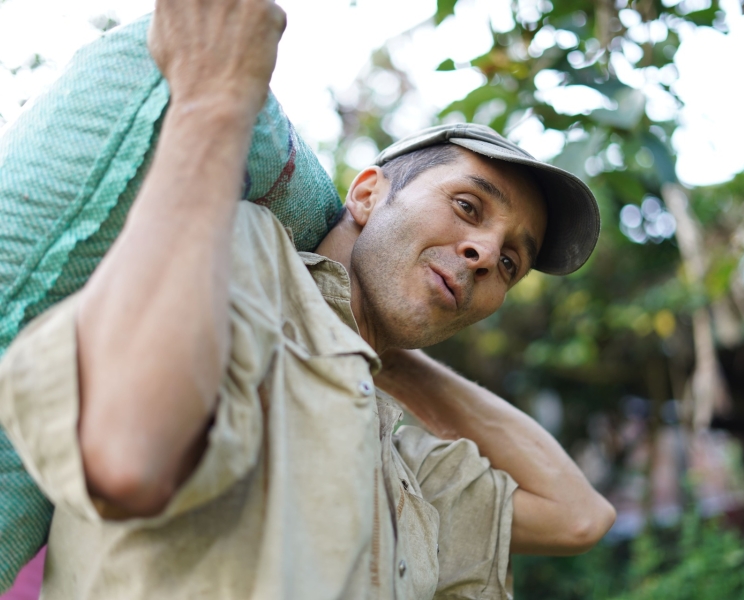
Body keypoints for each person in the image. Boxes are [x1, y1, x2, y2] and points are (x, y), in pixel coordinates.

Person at [0, 0, 615, 598]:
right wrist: (214, 100)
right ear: (370, 194)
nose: (485, 254)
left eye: (511, 262)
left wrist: (382, 348)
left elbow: (578, 516)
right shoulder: (247, 260)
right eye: (466, 206)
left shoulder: (398, 454)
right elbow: (127, 453)